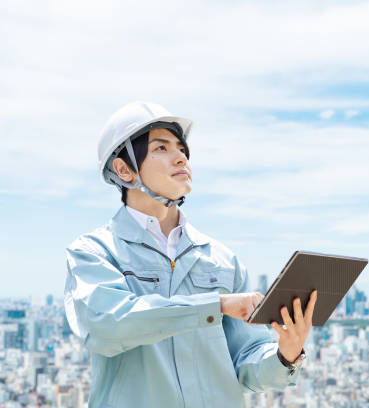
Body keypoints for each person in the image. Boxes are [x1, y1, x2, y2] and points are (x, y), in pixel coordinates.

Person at [63, 101, 317, 407]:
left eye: (183, 149)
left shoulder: (223, 260)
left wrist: (286, 355)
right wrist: (216, 304)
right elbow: (106, 325)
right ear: (124, 169)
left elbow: (246, 366)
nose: (181, 157)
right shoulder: (94, 252)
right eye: (161, 148)